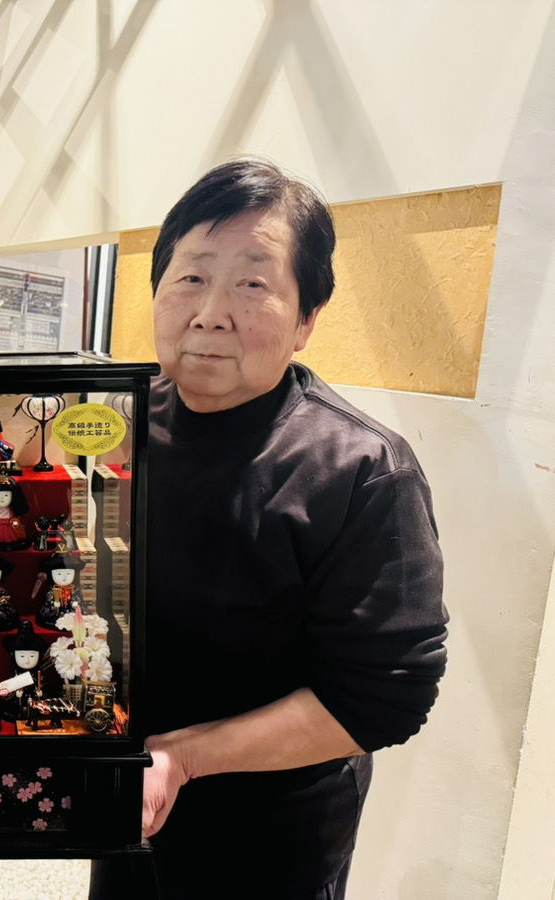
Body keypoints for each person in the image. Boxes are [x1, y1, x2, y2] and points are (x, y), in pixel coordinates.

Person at [89, 158, 448, 899]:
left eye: (252, 284)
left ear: (307, 319)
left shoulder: (361, 469)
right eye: (191, 277)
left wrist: (185, 757)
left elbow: (384, 696)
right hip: (128, 791)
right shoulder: (117, 424)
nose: (210, 313)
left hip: (271, 828)